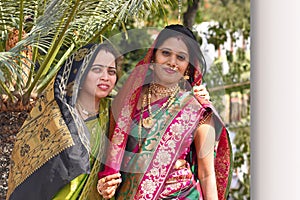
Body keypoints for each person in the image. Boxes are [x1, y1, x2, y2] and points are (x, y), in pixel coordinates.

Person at [97, 24, 233, 200]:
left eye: (181, 57)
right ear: (153, 57)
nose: (172, 62)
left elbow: (207, 175)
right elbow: (116, 156)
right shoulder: (130, 100)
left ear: (189, 67)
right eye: (166, 53)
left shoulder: (197, 110)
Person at [6, 42, 121, 200]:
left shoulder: (115, 117)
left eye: (111, 71)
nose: (105, 77)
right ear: (80, 72)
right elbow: (29, 174)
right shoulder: (54, 116)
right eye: (96, 69)